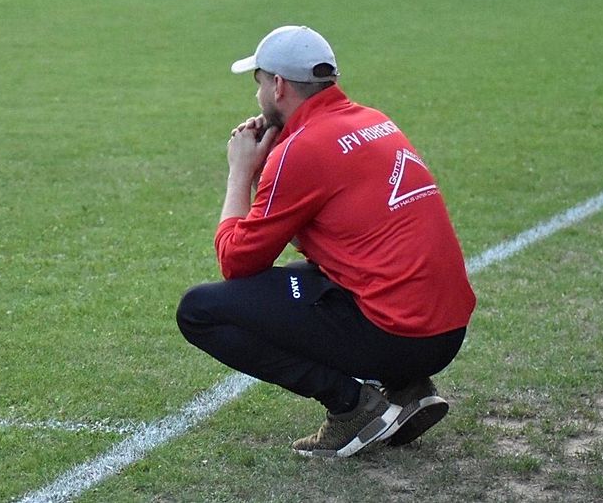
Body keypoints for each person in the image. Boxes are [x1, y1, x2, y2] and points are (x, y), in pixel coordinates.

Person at [176, 25, 476, 458]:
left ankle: (352, 406)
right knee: (311, 276)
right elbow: (334, 238)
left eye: (257, 82)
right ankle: (407, 391)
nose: (257, 95)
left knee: (201, 310)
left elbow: (237, 263)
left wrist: (240, 173)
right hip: (444, 333)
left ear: (277, 85)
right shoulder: (373, 120)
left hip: (400, 336)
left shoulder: (301, 147)